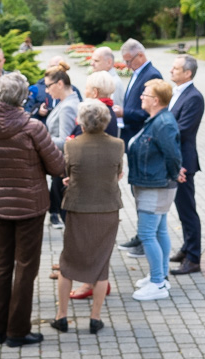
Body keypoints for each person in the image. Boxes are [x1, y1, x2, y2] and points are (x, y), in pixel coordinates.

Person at [0, 72, 65, 348]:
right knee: (25, 268)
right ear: (23, 97)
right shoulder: (33, 127)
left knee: (0, 266)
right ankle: (17, 332)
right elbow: (57, 167)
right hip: (30, 206)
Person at [50, 100, 124, 335]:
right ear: (106, 121)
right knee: (100, 265)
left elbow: (70, 173)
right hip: (107, 209)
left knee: (68, 263)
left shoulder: (72, 146)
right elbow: (117, 173)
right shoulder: (118, 144)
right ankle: (95, 318)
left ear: (80, 121)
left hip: (78, 209)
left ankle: (61, 316)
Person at [127, 79, 183, 301]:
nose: (141, 97)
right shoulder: (156, 120)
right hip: (153, 183)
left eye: (145, 94)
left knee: (148, 234)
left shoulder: (164, 123)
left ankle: (158, 283)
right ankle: (158, 276)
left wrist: (171, 174)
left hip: (156, 185)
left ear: (156, 100)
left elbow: (173, 156)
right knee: (159, 231)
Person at [113, 38, 161, 254]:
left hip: (142, 141)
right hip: (132, 138)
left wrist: (124, 113)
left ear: (140, 56)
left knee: (142, 193)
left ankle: (145, 238)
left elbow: (149, 112)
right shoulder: (138, 73)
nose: (126, 65)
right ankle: (142, 236)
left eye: (129, 61)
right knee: (137, 191)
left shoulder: (152, 76)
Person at [167, 55, 205, 275]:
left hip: (184, 161)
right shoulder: (177, 92)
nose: (171, 71)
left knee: (187, 210)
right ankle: (186, 248)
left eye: (176, 68)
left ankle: (193, 258)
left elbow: (182, 129)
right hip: (175, 159)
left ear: (187, 73)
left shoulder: (194, 97)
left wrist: (158, 131)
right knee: (181, 209)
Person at [41, 61, 80, 229]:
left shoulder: (67, 107)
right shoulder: (64, 103)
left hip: (64, 164)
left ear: (60, 84)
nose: (47, 90)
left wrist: (41, 137)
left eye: (49, 86)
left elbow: (66, 142)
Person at [68, 70, 119, 139]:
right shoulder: (109, 111)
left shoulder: (94, 114)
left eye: (86, 88)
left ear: (95, 92)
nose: (84, 92)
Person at [90, 46, 124, 111]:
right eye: (92, 60)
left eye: (96, 61)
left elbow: (114, 111)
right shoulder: (104, 80)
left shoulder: (114, 83)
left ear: (109, 62)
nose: (92, 64)